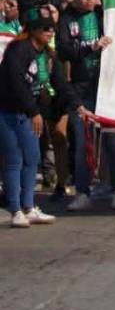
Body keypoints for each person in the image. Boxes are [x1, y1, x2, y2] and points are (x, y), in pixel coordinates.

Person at [57, 0, 115, 211]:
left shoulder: (105, 12)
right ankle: (82, 192)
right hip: (80, 89)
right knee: (82, 143)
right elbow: (64, 50)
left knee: (112, 142)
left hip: (108, 86)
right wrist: (91, 47)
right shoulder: (67, 18)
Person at [0, 15, 69, 227]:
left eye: (53, 29)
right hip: (9, 112)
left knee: (32, 158)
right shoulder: (18, 50)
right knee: (14, 160)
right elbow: (16, 83)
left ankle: (29, 207)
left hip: (30, 114)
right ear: (34, 30)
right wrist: (33, 111)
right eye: (46, 28)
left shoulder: (47, 54)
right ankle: (15, 210)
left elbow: (60, 83)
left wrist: (77, 105)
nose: (50, 32)